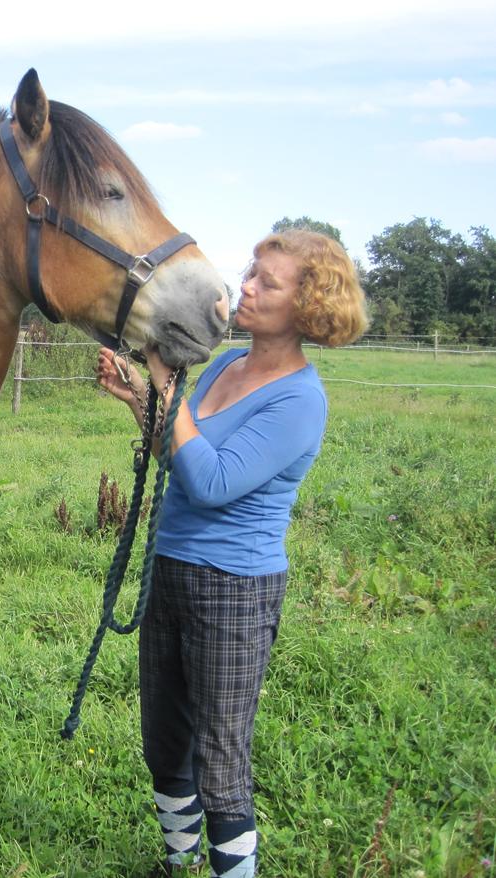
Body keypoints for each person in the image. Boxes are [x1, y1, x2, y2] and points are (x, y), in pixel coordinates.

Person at [96, 229, 367, 877]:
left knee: (219, 759)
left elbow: (213, 484)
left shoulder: (300, 400)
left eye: (266, 282)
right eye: (251, 272)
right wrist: (140, 396)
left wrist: (162, 381)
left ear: (306, 306)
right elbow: (178, 454)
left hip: (234, 589)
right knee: (165, 742)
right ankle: (179, 859)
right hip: (173, 570)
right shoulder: (223, 365)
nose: (244, 286)